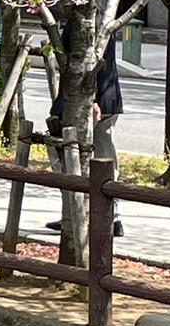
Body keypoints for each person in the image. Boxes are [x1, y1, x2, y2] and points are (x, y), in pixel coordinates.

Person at [46, 26, 124, 237]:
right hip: (77, 100)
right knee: (70, 156)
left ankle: (109, 216)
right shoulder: (81, 16)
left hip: (94, 101)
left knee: (101, 157)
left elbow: (97, 62)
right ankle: (74, 214)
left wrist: (94, 100)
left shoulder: (93, 21)